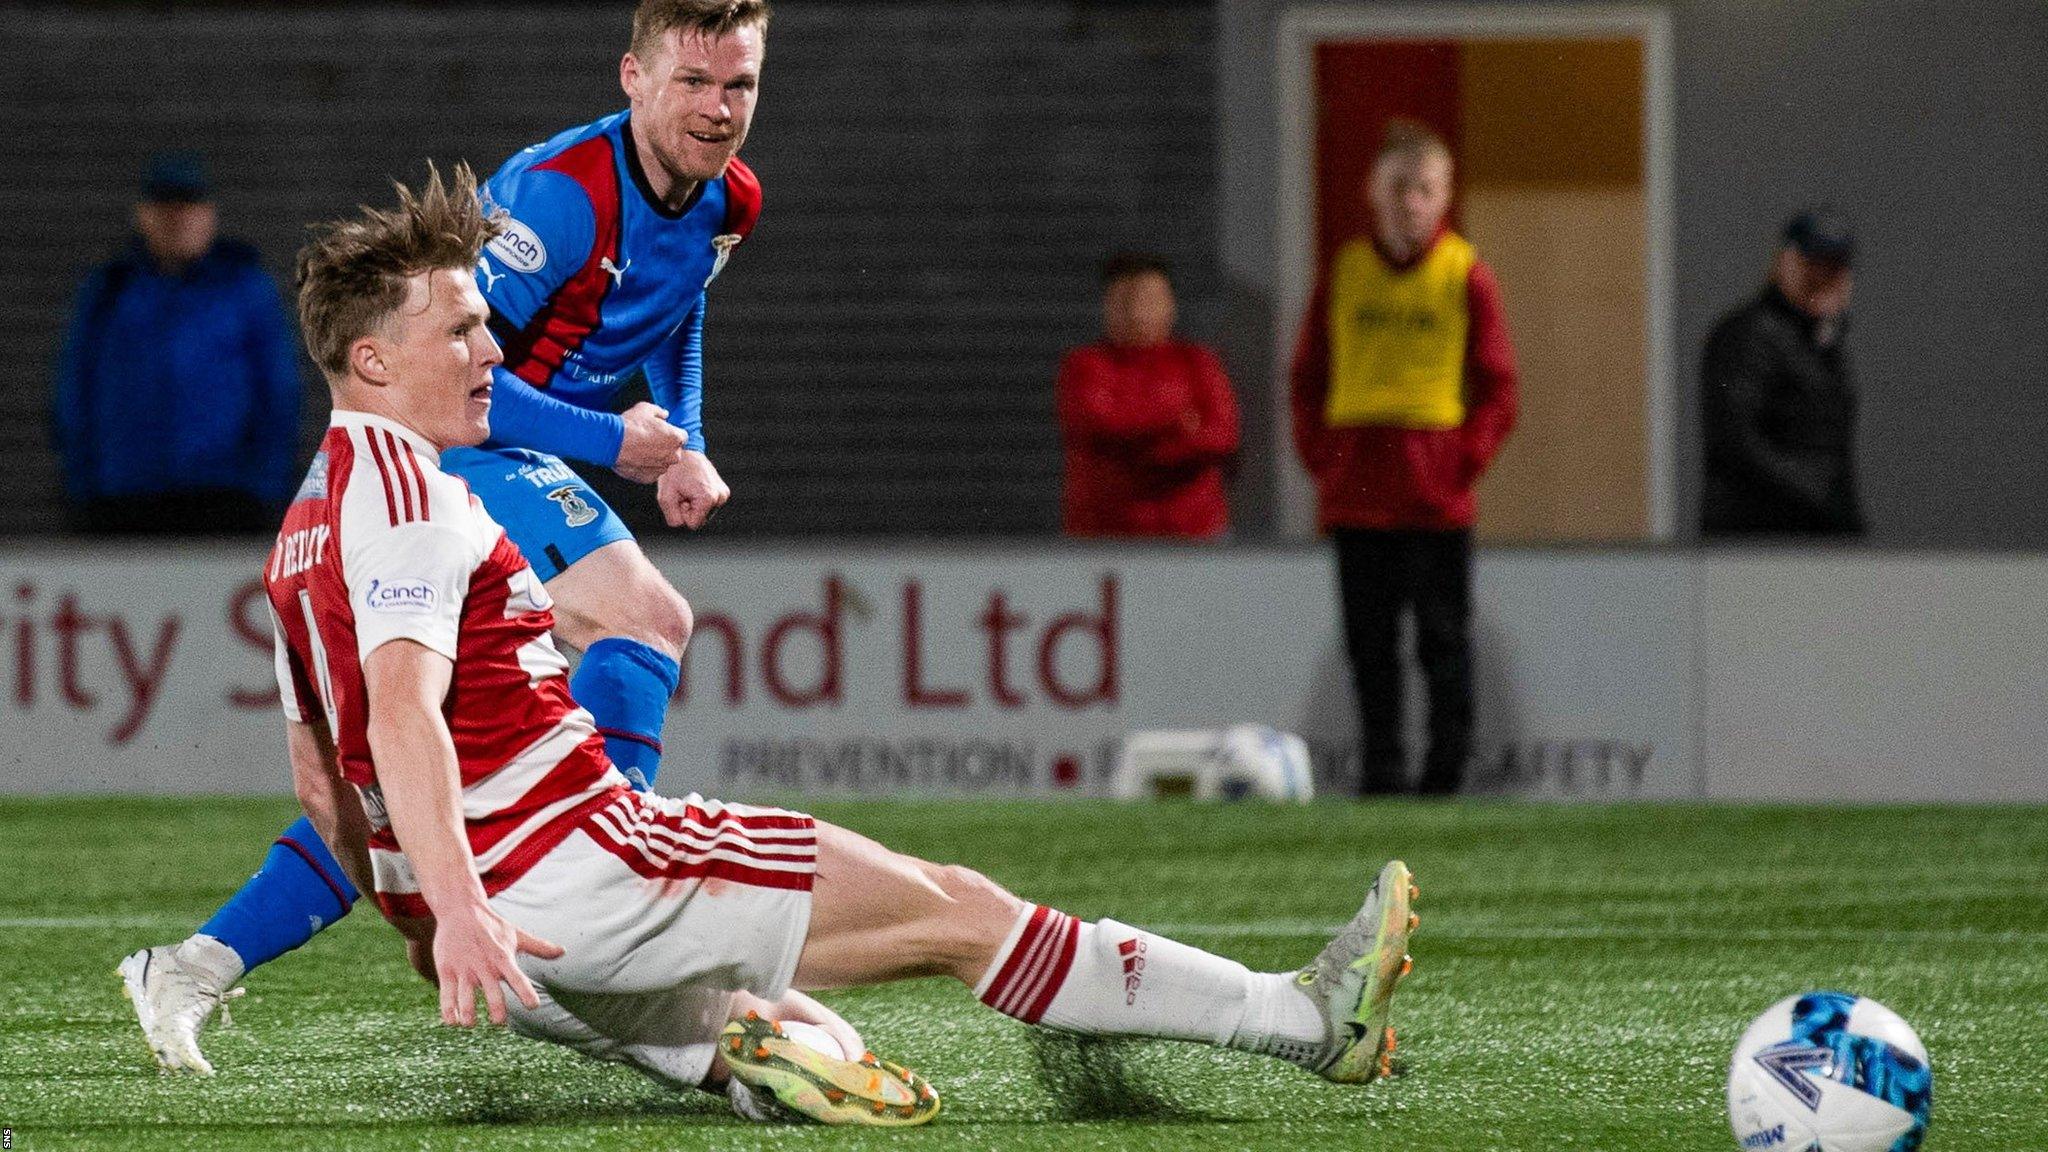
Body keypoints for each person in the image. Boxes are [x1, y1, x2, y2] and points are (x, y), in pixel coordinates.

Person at [134, 167, 1421, 1124]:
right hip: (580, 876)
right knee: (962, 912)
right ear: (370, 359)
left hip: (518, 947)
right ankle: (1307, 1022)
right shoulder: (416, 500)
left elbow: (325, 779)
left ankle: (747, 1052)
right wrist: (469, 911)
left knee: (790, 1030)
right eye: (460, 331)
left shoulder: (303, 525)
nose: (491, 348)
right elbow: (403, 721)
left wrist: (436, 927)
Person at [117, 0, 768, 1061]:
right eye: (692, 82)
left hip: (519, 453)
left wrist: (684, 437)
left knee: (397, 801)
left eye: (737, 85)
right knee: (644, 619)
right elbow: (464, 375)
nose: (717, 108)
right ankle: (611, 894)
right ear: (632, 79)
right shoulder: (560, 200)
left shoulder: (729, 198)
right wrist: (617, 440)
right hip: (455, 444)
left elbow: (678, 302)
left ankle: (191, 966)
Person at [1290, 119, 1518, 797]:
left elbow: (1499, 387)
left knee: (1443, 642)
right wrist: (1324, 459)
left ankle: (1446, 774)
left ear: (1444, 194)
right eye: (1399, 188)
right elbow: (1307, 377)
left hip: (1435, 493)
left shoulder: (1466, 273)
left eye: (1424, 188)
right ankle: (1382, 772)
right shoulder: (1346, 270)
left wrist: (1460, 462)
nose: (1410, 203)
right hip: (1358, 489)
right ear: (1373, 192)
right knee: (1370, 646)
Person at [52, 152, 303, 534]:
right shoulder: (110, 290)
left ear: (209, 215)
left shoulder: (244, 287)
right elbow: (74, 391)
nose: (178, 218)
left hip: (224, 495)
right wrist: (84, 483)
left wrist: (265, 485)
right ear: (143, 216)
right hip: (124, 497)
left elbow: (279, 391)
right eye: (165, 206)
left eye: (190, 205)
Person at [1700, 209, 1865, 538]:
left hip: (1811, 538)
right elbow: (1736, 441)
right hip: (1760, 541)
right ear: (1786, 262)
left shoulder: (1820, 341)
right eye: (1814, 264)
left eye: (1835, 266)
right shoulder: (1751, 334)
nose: (1825, 277)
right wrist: (1818, 495)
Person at [1056, 253, 1240, 539]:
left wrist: (1137, 442)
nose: (1136, 313)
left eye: (1148, 301)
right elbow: (1098, 425)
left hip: (1194, 533)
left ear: (1171, 306)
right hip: (1105, 537)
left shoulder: (1199, 362)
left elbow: (1221, 437)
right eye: (1124, 302)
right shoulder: (1085, 365)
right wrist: (1175, 423)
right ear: (1106, 308)